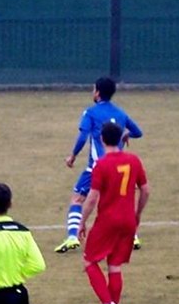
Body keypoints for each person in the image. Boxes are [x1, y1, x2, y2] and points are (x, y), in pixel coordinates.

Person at [56, 77, 143, 254]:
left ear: (97, 92)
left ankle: (73, 236)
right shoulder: (120, 113)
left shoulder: (90, 113)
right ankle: (132, 236)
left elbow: (82, 136)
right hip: (119, 167)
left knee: (77, 199)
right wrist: (126, 134)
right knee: (120, 201)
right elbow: (138, 132)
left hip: (97, 167)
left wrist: (72, 156)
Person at [78, 122, 150, 304]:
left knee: (90, 261)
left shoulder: (102, 164)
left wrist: (82, 221)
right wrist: (137, 214)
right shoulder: (134, 160)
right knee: (114, 266)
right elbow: (145, 191)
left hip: (108, 221)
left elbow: (92, 198)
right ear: (120, 139)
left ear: (102, 139)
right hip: (128, 221)